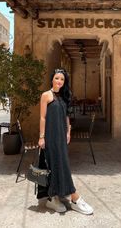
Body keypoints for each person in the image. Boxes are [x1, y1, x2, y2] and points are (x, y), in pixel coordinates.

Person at [38, 68, 93, 215]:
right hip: (51, 136)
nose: (59, 81)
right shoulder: (46, 95)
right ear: (52, 79)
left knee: (59, 164)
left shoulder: (63, 96)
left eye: (62, 79)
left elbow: (66, 116)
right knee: (58, 164)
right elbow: (42, 117)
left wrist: (68, 131)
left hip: (61, 135)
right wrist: (41, 137)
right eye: (57, 78)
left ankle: (53, 198)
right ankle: (74, 197)